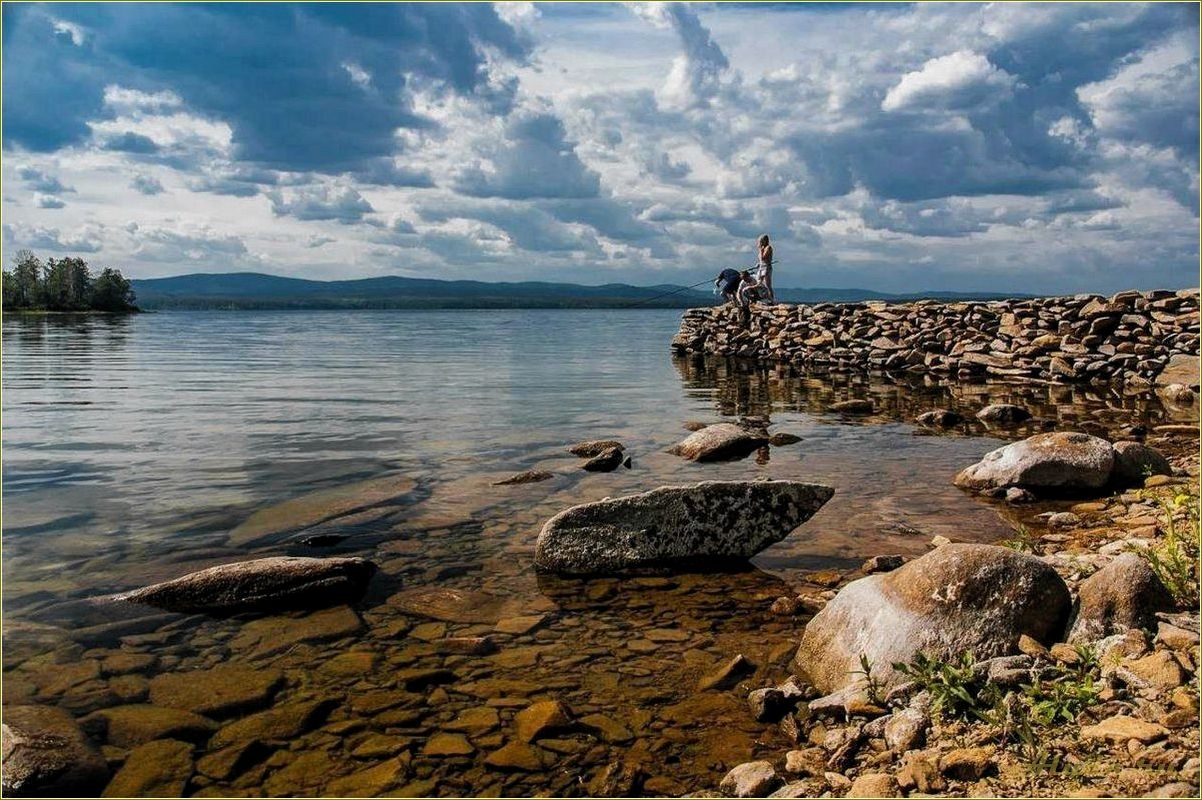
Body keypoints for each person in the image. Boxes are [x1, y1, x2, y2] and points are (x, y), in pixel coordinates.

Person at [756, 234, 775, 303]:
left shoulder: (768, 248)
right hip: (761, 267)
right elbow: (761, 260)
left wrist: (761, 250)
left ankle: (772, 300)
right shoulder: (763, 248)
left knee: (767, 285)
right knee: (759, 283)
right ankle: (763, 298)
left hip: (766, 267)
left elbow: (763, 257)